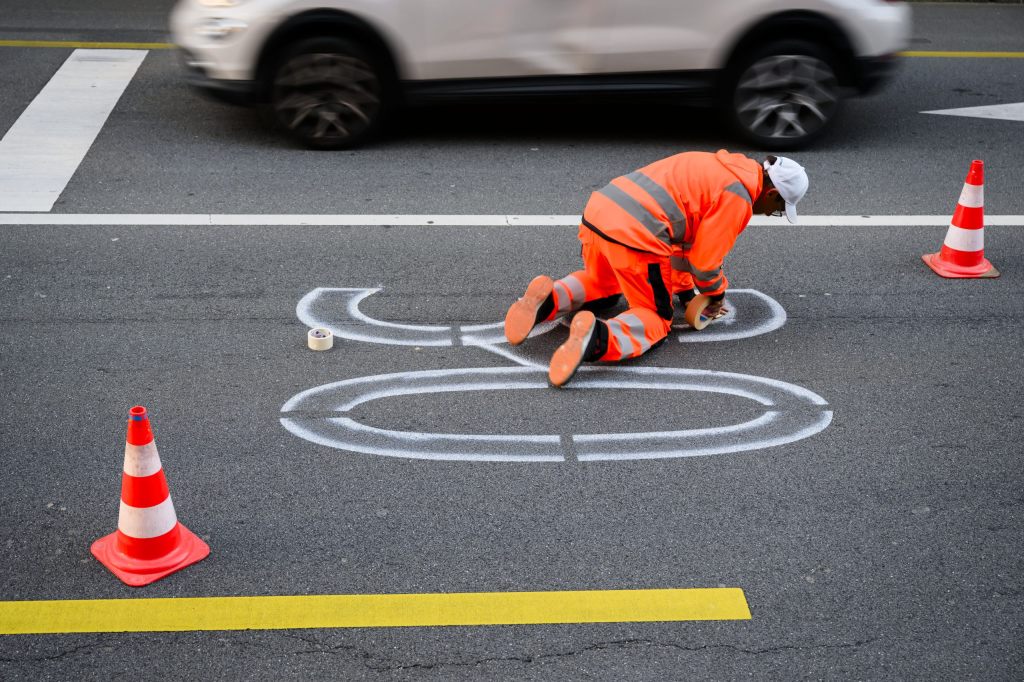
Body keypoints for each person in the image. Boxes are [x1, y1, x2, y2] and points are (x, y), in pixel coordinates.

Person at [504, 150, 809, 387]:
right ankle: (596, 337)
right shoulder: (738, 197)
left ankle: (550, 299)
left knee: (604, 282)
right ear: (772, 194)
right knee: (655, 317)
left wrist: (684, 290)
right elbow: (704, 262)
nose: (770, 214)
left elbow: (683, 240)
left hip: (600, 212)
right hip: (636, 234)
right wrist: (716, 295)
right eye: (778, 209)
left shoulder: (718, 165)